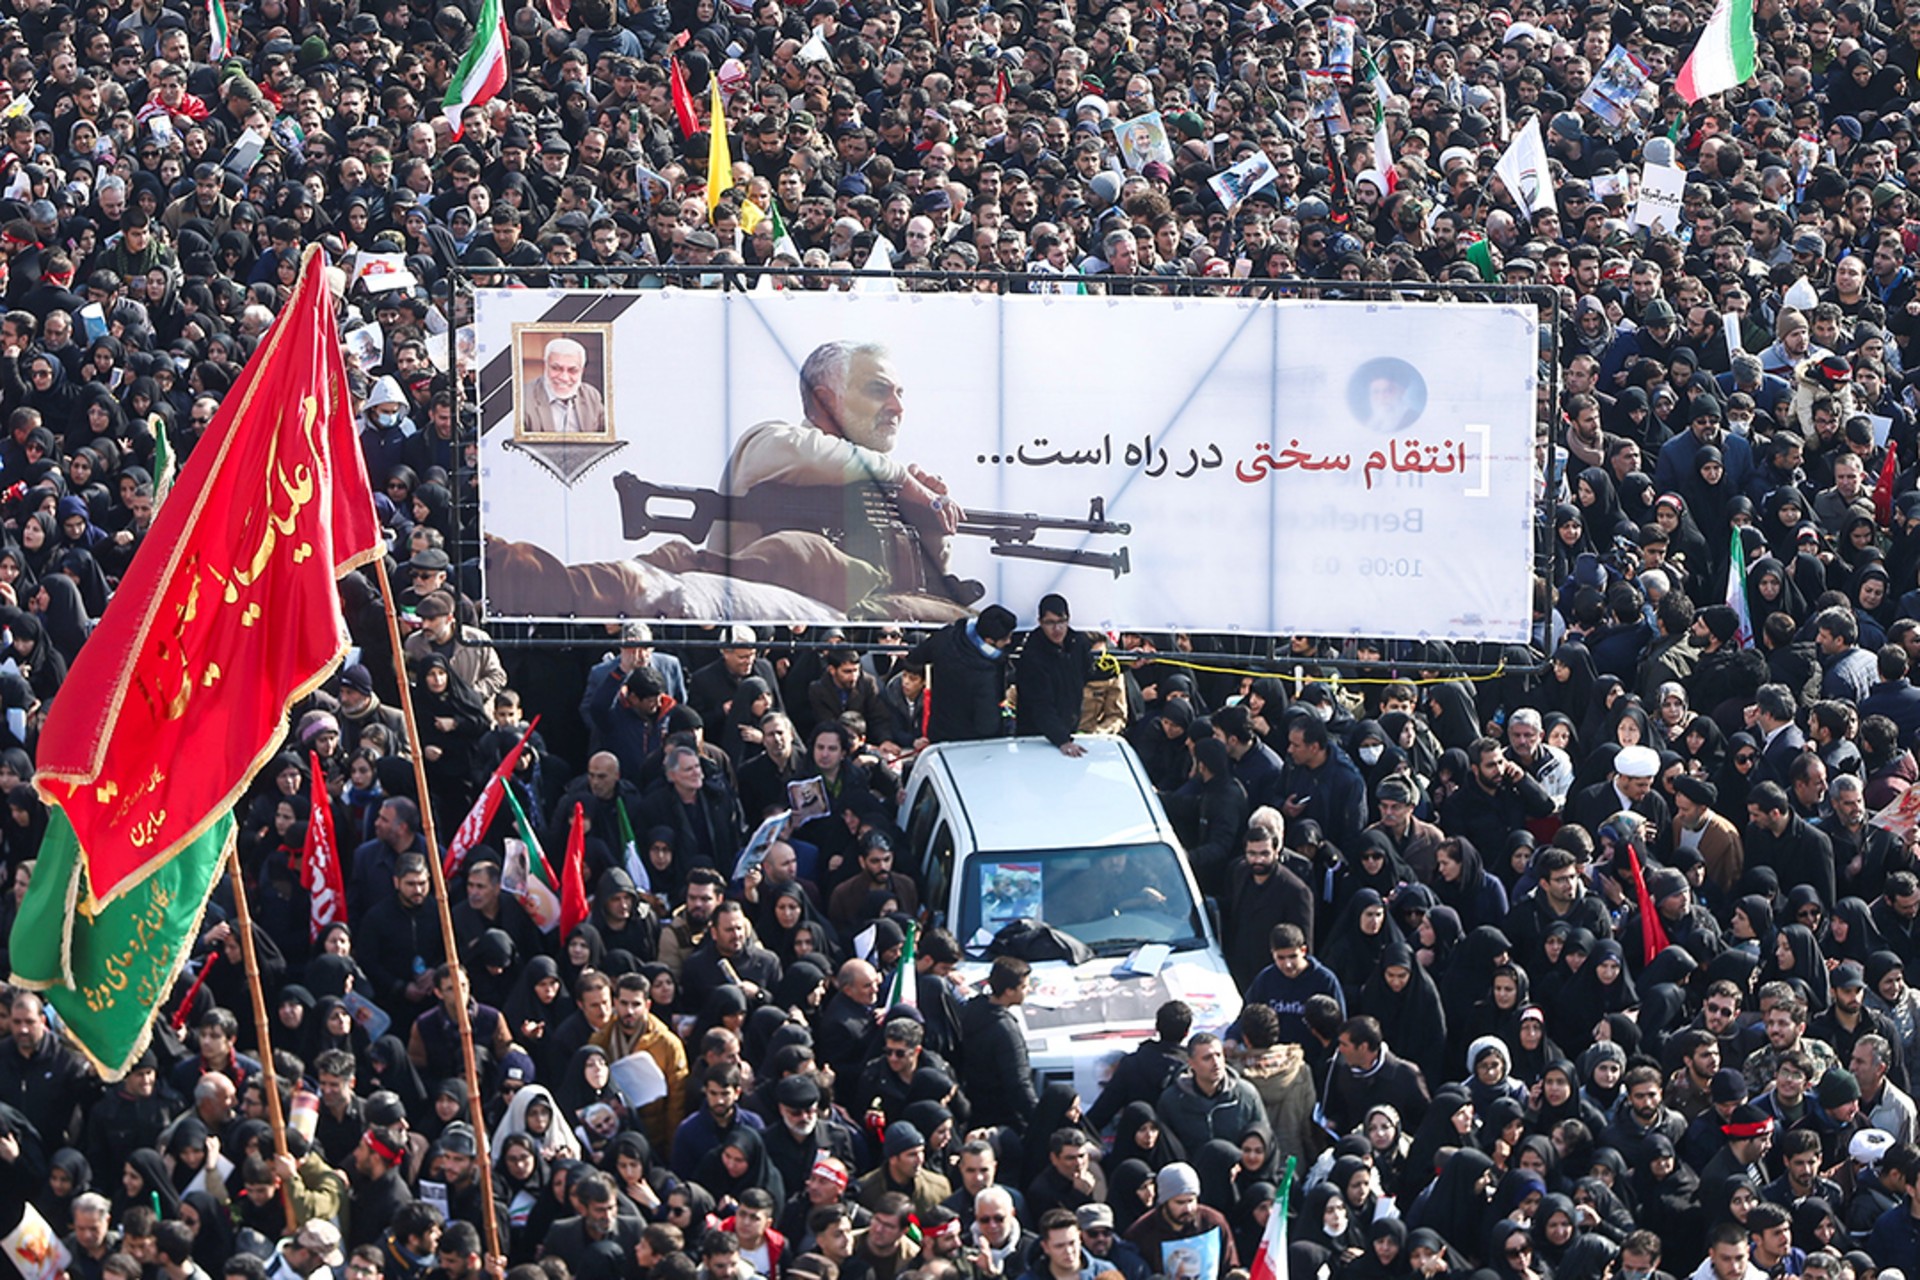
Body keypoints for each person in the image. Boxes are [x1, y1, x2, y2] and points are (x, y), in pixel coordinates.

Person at [521, 336, 607, 435]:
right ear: (545, 366)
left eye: (573, 370)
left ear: (582, 371)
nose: (564, 378)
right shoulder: (523, 399)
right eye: (556, 368)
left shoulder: (592, 396)